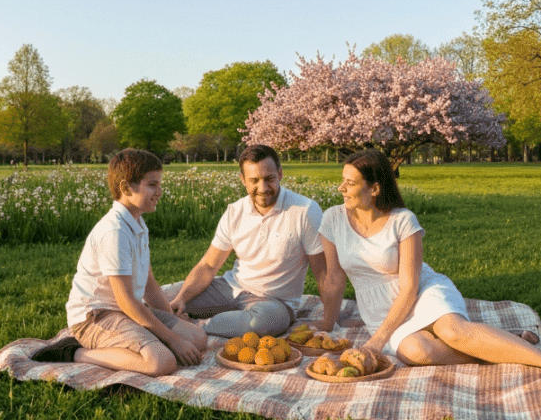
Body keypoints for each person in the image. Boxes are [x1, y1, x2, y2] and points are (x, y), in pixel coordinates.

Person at [317, 149, 541, 383]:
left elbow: (409, 288)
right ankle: (500, 345)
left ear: (375, 188)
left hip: (420, 292)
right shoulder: (332, 218)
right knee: (416, 351)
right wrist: (328, 326)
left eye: (350, 183)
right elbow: (333, 278)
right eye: (342, 180)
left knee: (453, 331)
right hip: (379, 309)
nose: (341, 188)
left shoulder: (403, 221)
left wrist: (377, 341)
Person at [32, 148, 208, 375]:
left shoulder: (138, 224)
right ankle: (73, 352)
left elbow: (149, 284)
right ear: (126, 188)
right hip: (96, 317)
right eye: (152, 185)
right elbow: (125, 301)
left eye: (159, 184)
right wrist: (173, 340)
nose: (160, 191)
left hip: (126, 312)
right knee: (161, 362)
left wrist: (171, 319)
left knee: (198, 338)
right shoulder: (114, 232)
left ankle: (145, 339)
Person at [163, 144, 329, 337]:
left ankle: (191, 326)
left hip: (273, 303)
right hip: (230, 289)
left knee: (258, 323)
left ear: (280, 174)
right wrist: (182, 298)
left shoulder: (305, 210)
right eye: (254, 180)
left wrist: (330, 320)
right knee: (159, 298)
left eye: (269, 179)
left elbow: (323, 273)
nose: (263, 188)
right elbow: (208, 265)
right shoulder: (235, 211)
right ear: (243, 180)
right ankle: (175, 320)